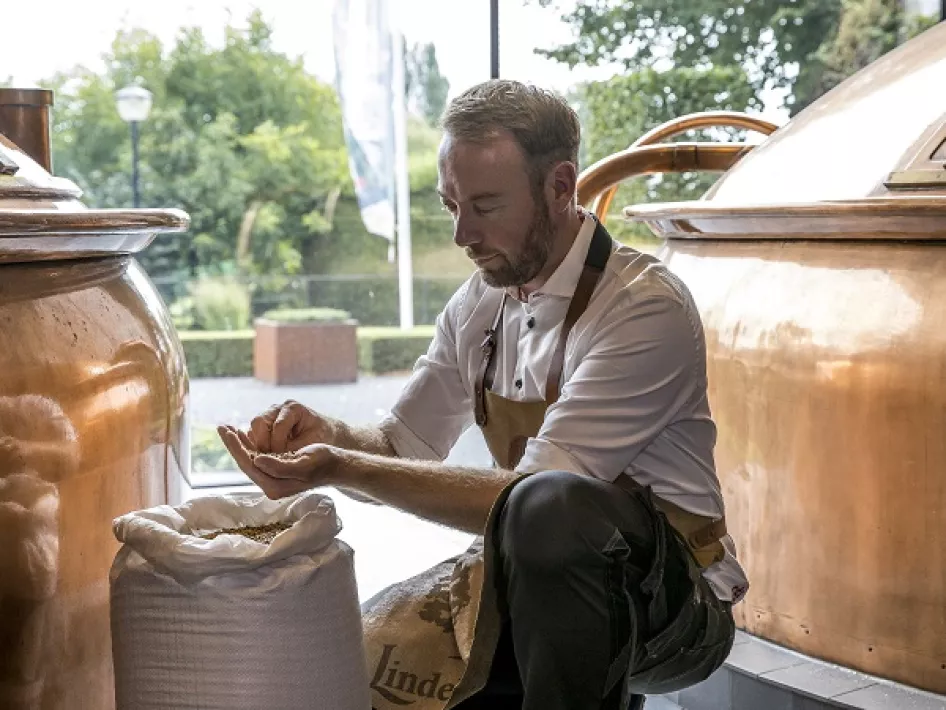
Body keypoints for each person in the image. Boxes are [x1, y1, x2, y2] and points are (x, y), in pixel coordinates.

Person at [218, 79, 747, 710]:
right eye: (450, 206)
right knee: (377, 666)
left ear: (560, 186)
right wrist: (327, 436)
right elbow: (397, 445)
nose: (462, 233)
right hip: (534, 585)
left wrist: (339, 468)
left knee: (549, 510)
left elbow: (535, 499)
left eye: (486, 206)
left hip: (680, 609)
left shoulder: (641, 308)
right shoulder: (478, 304)